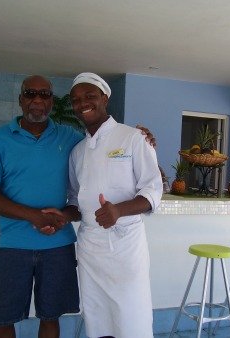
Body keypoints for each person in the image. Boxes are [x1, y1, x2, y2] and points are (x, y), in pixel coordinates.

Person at [0, 75, 156, 338]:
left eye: (45, 95)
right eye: (30, 93)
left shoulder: (71, 138)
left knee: (54, 317)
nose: (37, 100)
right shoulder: (4, 139)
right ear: (20, 99)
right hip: (16, 243)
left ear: (52, 101)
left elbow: (146, 181)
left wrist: (146, 141)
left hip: (62, 247)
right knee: (4, 319)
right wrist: (40, 217)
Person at [64, 72, 163, 338]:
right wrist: (61, 216)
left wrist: (118, 210)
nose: (82, 103)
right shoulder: (78, 151)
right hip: (90, 249)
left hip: (125, 247)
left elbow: (153, 189)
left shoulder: (133, 138)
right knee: (96, 318)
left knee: (131, 318)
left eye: (89, 96)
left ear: (105, 98)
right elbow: (75, 199)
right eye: (75, 99)